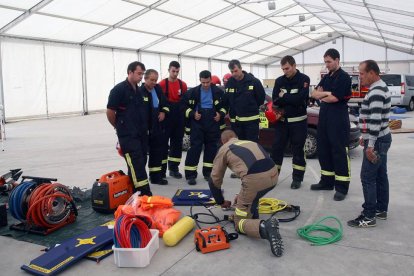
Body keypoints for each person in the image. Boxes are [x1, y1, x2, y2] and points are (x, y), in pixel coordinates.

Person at [208, 130, 283, 257]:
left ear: (223, 141)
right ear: (236, 137)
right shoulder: (249, 142)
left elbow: (214, 181)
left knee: (239, 221)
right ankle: (254, 215)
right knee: (252, 194)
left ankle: (265, 227)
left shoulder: (224, 148)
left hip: (255, 180)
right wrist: (242, 194)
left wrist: (220, 201)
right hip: (274, 176)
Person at [348, 60, 392, 228]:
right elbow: (376, 118)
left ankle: (368, 216)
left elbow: (375, 121)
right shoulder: (379, 88)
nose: (360, 77)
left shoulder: (376, 92)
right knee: (380, 175)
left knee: (367, 177)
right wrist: (364, 136)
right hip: (381, 137)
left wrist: (370, 144)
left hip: (377, 141)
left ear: (372, 73)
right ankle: (381, 209)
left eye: (362, 73)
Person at [310, 48, 352, 201]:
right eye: (325, 62)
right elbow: (314, 94)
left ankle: (341, 187)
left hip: (338, 119)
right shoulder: (327, 77)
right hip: (325, 118)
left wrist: (325, 95)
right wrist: (326, 94)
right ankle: (327, 181)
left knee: (339, 152)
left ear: (337, 60)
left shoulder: (344, 78)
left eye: (329, 61)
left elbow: (334, 99)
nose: (326, 65)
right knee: (324, 150)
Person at [106, 61, 152, 196]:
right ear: (130, 72)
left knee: (141, 161)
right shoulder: (118, 90)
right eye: (139, 74)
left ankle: (132, 190)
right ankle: (144, 194)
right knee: (137, 164)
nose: (141, 77)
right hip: (128, 136)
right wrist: (119, 127)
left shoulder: (140, 90)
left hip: (141, 134)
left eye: (142, 74)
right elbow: (110, 112)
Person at [272, 55, 310, 189]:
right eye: (283, 69)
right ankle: (273, 177)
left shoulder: (304, 79)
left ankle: (297, 179)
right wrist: (289, 99)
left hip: (298, 123)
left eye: (287, 68)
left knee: (298, 151)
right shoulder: (279, 81)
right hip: (282, 123)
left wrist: (285, 97)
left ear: (294, 66)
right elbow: (275, 100)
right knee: (276, 149)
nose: (285, 71)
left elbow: (300, 99)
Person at [183, 70, 225, 185]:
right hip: (198, 123)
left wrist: (220, 114)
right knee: (195, 147)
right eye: (203, 82)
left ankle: (208, 173)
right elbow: (183, 106)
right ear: (200, 80)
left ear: (211, 80)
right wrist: (192, 114)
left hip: (212, 122)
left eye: (207, 82)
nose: (205, 85)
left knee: (211, 148)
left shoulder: (218, 92)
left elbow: (226, 106)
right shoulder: (192, 92)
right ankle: (190, 175)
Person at [159, 61, 188, 179]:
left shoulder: (183, 85)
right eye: (173, 71)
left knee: (177, 143)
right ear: (168, 70)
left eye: (177, 71)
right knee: (163, 144)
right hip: (166, 117)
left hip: (179, 117)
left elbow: (185, 101)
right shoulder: (161, 84)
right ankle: (161, 170)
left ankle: (174, 168)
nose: (175, 74)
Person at [141, 69, 170, 185]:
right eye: (151, 80)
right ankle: (141, 179)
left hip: (157, 127)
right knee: (143, 155)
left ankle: (155, 177)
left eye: (155, 80)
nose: (154, 82)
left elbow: (165, 104)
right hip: (146, 128)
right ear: (145, 79)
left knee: (157, 152)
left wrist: (163, 111)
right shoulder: (140, 91)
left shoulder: (157, 89)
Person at [224, 60, 265, 142]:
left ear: (241, 68)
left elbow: (260, 99)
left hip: (251, 122)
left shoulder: (254, 82)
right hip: (236, 123)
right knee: (238, 147)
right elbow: (227, 100)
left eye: (236, 71)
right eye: (232, 72)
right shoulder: (230, 83)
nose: (234, 74)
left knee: (252, 146)